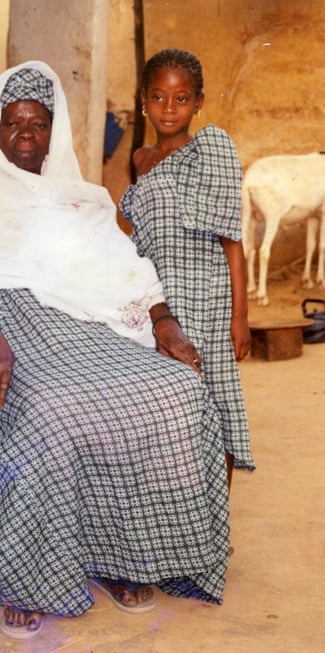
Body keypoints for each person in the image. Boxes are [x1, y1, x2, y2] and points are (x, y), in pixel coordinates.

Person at [0, 60, 231, 640]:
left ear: (53, 130)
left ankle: (122, 558)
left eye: (38, 123)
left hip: (88, 329)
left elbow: (126, 270)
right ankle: (29, 578)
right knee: (50, 410)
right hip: (11, 331)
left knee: (177, 391)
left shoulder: (81, 199)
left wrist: (164, 323)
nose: (26, 135)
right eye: (13, 123)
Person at [120, 49, 255, 487]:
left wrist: (240, 316)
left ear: (199, 102)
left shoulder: (210, 149)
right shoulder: (140, 161)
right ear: (144, 99)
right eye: (159, 97)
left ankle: (217, 528)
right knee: (167, 416)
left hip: (208, 301)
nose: (169, 108)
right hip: (160, 304)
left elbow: (231, 240)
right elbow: (134, 232)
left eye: (181, 99)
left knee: (215, 411)